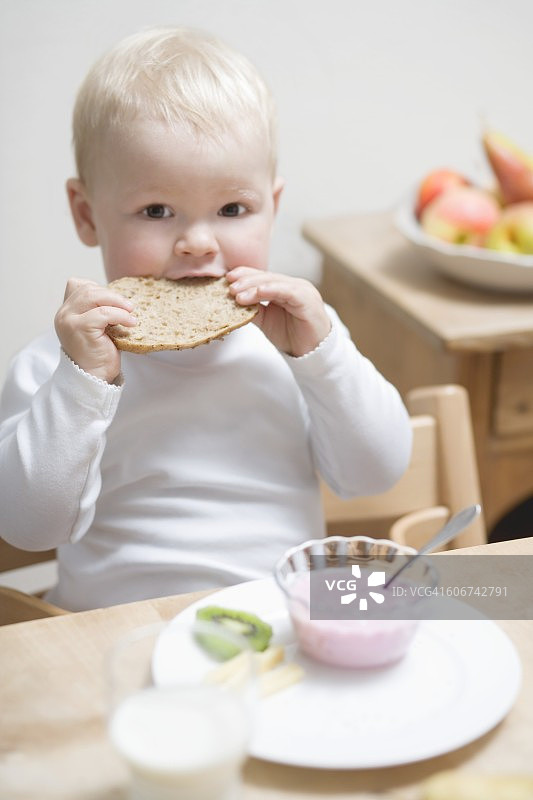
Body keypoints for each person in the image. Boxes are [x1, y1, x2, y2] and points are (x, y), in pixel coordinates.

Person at [0, 27, 412, 611]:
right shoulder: (56, 366)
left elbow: (376, 474)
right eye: (156, 210)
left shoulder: (300, 343)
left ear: (272, 207)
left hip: (280, 626)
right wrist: (81, 382)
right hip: (112, 631)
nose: (198, 241)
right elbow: (28, 527)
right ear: (87, 214)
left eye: (232, 208)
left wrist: (323, 358)